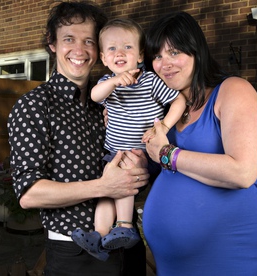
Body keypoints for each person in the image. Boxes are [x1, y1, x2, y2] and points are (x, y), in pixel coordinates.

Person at [7, 2, 149, 275]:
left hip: (127, 245)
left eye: (89, 41)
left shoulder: (107, 104)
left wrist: (139, 172)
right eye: (69, 39)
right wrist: (104, 186)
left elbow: (126, 173)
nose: (80, 51)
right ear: (52, 43)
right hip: (76, 254)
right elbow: (29, 193)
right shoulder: (35, 105)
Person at [141, 11, 257, 275]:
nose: (164, 64)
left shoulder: (233, 90)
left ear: (196, 51)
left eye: (175, 52)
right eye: (157, 56)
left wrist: (167, 153)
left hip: (230, 255)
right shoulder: (170, 108)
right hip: (172, 264)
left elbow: (242, 172)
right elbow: (160, 168)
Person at [72, 18, 186, 257]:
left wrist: (163, 126)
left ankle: (125, 226)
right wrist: (114, 81)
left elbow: (178, 100)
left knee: (123, 181)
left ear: (140, 55)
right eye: (112, 49)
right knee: (106, 191)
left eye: (127, 47)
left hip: (139, 152)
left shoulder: (149, 81)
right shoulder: (106, 82)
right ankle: (98, 235)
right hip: (114, 151)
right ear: (104, 58)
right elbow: (94, 96)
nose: (119, 53)